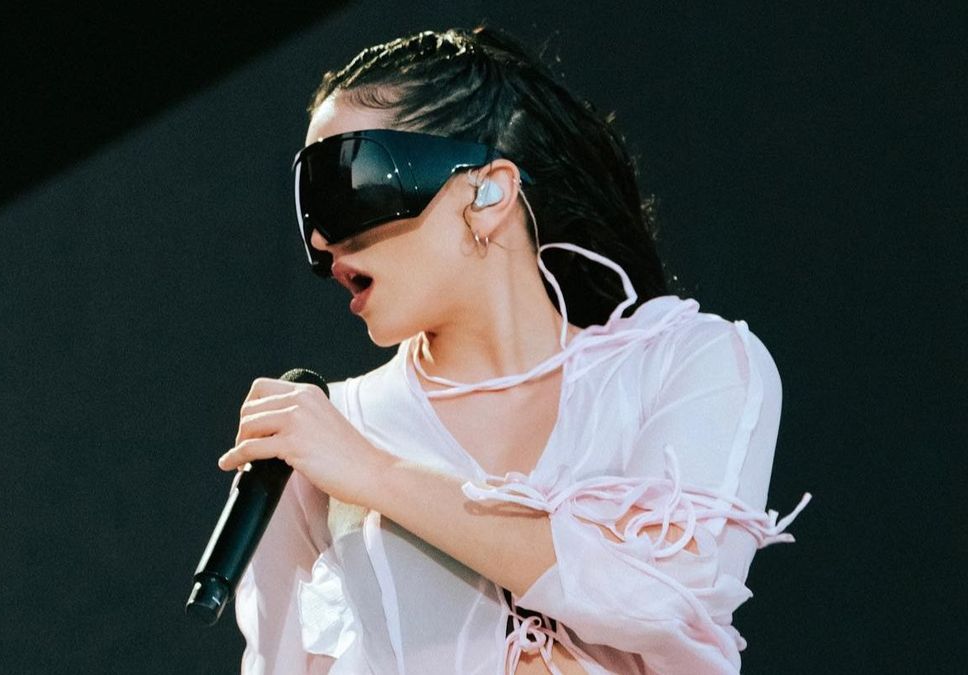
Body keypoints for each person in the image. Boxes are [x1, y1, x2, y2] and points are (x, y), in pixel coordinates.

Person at [217, 26, 810, 675]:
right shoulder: (317, 445)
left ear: (488, 191)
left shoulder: (688, 363)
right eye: (307, 205)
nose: (324, 238)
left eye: (346, 183)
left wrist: (375, 473)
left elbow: (659, 594)